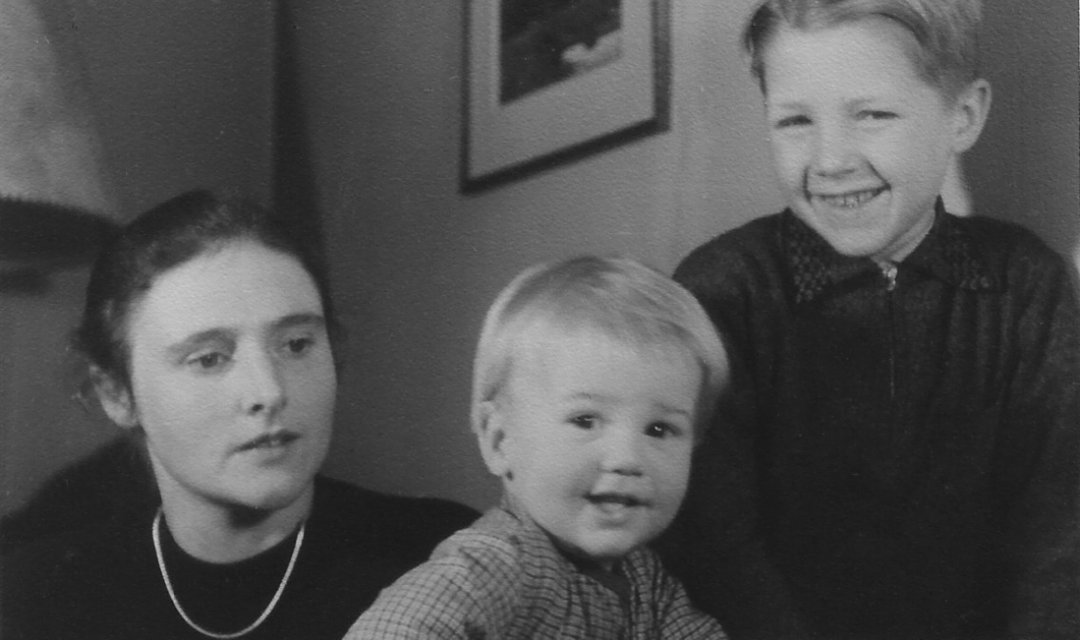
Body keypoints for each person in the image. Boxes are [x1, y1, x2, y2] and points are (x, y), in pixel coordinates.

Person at [658, 0, 1080, 640]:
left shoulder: (1027, 287)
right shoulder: (723, 291)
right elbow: (718, 552)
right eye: (796, 121)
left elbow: (1056, 543)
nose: (831, 160)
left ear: (964, 116)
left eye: (873, 114)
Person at [1, 190, 478, 640]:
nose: (269, 392)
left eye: (296, 345)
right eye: (209, 358)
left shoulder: (450, 556)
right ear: (117, 393)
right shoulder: (41, 592)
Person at [344, 256, 730, 639]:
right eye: (585, 420)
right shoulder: (497, 563)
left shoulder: (647, 581)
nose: (627, 458)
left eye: (659, 429)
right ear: (500, 441)